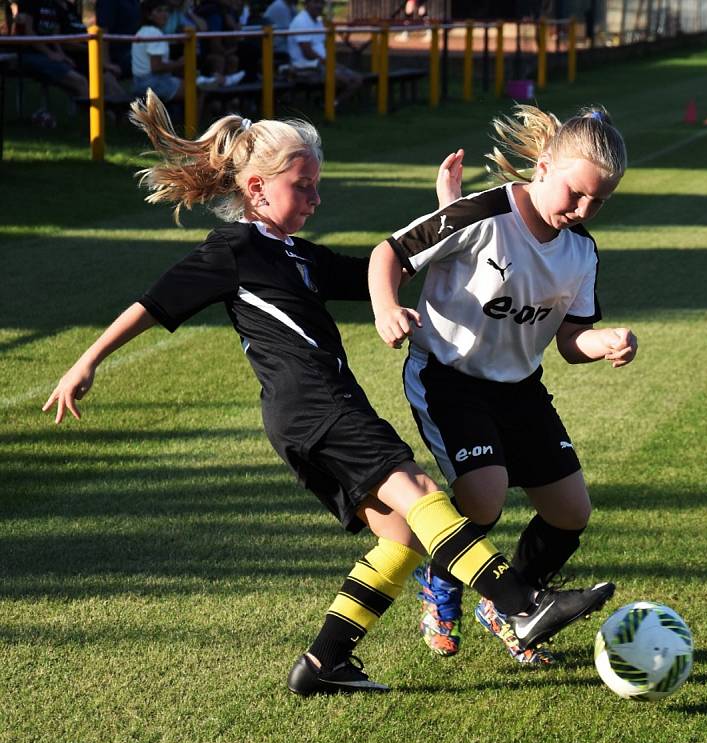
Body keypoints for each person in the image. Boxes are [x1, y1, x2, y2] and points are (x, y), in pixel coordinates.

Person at [43, 92, 612, 696]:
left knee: (401, 535)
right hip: (316, 406)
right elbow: (152, 304)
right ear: (257, 189)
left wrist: (453, 214)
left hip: (310, 414)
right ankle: (520, 603)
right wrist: (86, 362)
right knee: (420, 493)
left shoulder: (300, 258)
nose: (316, 199)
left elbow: (397, 268)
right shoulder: (231, 251)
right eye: (304, 186)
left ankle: (325, 662)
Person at [368, 104, 635, 666]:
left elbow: (569, 340)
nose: (584, 209)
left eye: (598, 202)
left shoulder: (580, 251)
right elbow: (388, 254)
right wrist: (387, 306)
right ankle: (444, 590)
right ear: (542, 168)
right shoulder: (483, 214)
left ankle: (510, 602)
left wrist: (604, 341)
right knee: (483, 494)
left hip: (520, 387)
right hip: (449, 378)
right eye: (576, 194)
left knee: (570, 513)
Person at [287, 0, 361, 107]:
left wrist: (330, 63)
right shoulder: (301, 21)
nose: (319, 6)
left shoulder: (318, 21)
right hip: (305, 66)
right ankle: (330, 106)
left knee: (357, 78)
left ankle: (331, 104)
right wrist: (328, 63)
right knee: (347, 79)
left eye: (322, 3)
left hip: (321, 64)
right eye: (315, 2)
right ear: (306, 4)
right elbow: (307, 53)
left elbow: (321, 46)